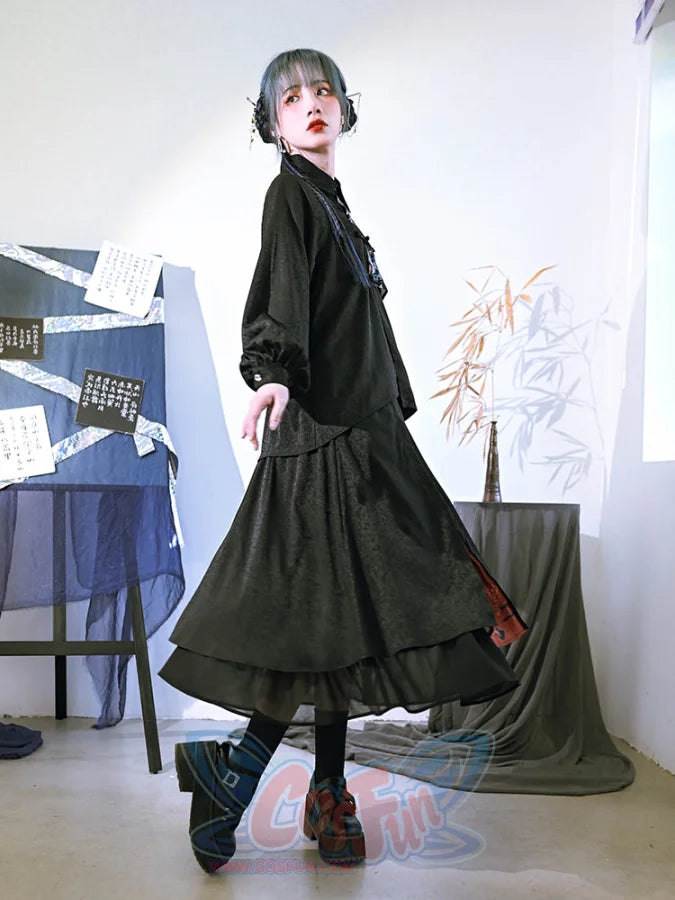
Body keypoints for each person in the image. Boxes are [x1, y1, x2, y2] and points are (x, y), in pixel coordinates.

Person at [159, 47, 528, 874]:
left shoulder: (335, 207)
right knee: (318, 621)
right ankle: (239, 776)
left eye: (322, 91)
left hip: (362, 435)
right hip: (320, 437)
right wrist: (272, 374)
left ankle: (317, 788)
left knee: (343, 623)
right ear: (273, 124)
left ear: (343, 109)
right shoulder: (290, 195)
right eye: (291, 98)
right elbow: (281, 293)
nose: (311, 104)